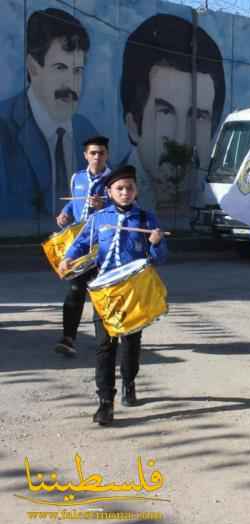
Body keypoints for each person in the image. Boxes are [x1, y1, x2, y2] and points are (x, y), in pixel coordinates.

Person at [58, 165, 167, 426]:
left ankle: (129, 381)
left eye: (130, 187)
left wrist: (155, 243)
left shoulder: (146, 219)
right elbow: (82, 242)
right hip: (105, 291)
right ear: (110, 191)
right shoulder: (99, 219)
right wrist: (68, 258)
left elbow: (160, 258)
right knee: (105, 346)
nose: (125, 192)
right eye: (120, 188)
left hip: (134, 291)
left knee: (131, 344)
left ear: (136, 190)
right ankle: (105, 402)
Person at [120, 14, 225, 212]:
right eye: (165, 113)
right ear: (133, 124)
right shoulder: (111, 194)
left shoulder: (217, 201)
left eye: (198, 117)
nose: (181, 138)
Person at [0, 8, 98, 217]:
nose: (71, 83)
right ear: (33, 67)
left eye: (78, 70)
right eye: (60, 68)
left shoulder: (86, 131)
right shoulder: (4, 126)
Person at [53, 136, 113, 356]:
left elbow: (129, 204)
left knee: (101, 292)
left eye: (102, 153)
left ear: (107, 155)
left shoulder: (114, 180)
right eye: (93, 153)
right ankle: (68, 338)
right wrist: (65, 213)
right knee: (76, 289)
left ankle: (107, 342)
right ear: (86, 155)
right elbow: (75, 200)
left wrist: (105, 203)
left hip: (104, 246)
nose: (97, 157)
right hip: (80, 245)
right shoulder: (77, 177)